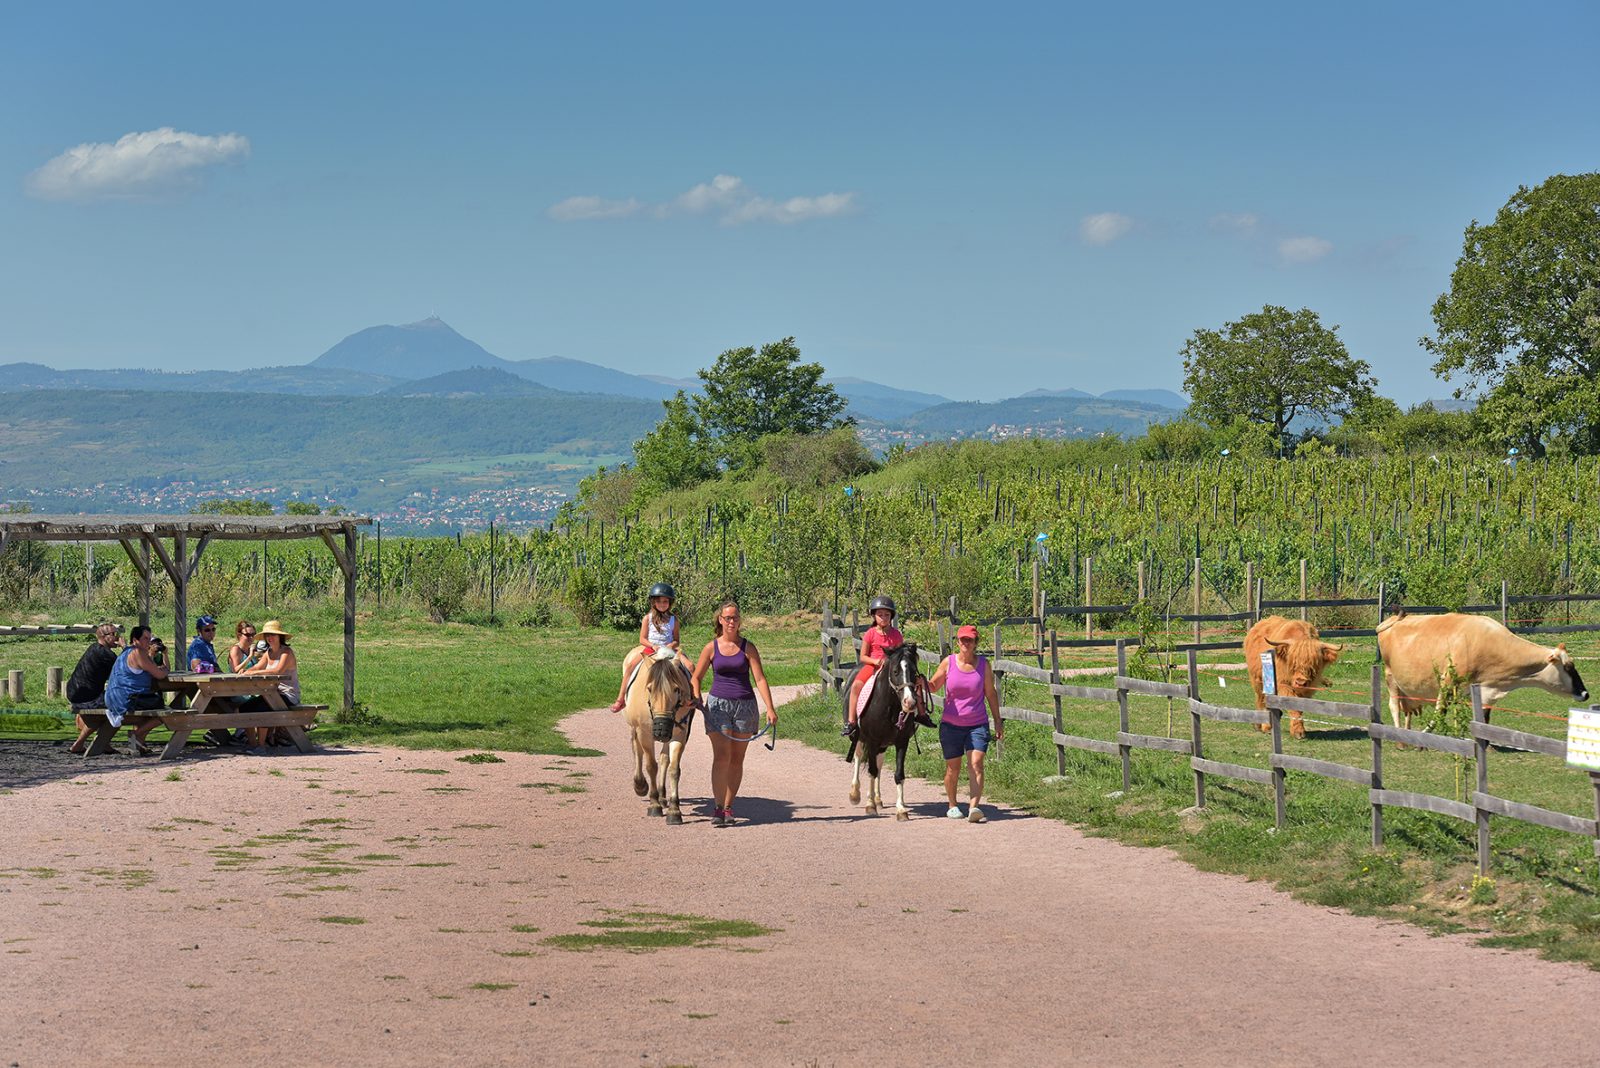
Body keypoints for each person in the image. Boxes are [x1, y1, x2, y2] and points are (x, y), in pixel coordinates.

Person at [691, 600, 777, 828]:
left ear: (740, 621)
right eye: (727, 617)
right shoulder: (711, 648)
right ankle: (718, 808)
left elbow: (760, 678)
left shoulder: (748, 647)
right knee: (721, 757)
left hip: (745, 706)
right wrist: (697, 695)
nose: (732, 621)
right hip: (718, 706)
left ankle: (729, 807)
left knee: (737, 759)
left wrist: (769, 707)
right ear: (720, 620)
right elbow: (696, 677)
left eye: (735, 617)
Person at [925, 624, 1003, 823]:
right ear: (957, 642)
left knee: (976, 763)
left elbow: (991, 693)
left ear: (976, 643)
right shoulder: (948, 662)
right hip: (951, 725)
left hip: (977, 723)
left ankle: (974, 807)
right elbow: (933, 686)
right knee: (953, 767)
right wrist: (920, 683)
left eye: (970, 640)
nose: (966, 643)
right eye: (963, 639)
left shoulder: (983, 665)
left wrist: (998, 721)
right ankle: (952, 805)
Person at [609, 583, 690, 712]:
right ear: (653, 602)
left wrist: (671, 645)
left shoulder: (674, 619)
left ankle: (689, 697)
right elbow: (642, 639)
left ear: (670, 602)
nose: (662, 604)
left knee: (690, 666)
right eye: (659, 601)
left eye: (665, 601)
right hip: (651, 648)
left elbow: (676, 640)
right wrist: (654, 646)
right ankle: (620, 699)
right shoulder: (648, 618)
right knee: (630, 667)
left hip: (669, 649)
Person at [103, 625, 170, 757]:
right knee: (168, 711)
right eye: (145, 638)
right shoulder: (138, 653)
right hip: (125, 700)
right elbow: (160, 675)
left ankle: (137, 744)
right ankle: (136, 735)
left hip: (113, 697)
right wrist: (166, 661)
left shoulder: (127, 651)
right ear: (135, 640)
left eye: (150, 639)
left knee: (151, 705)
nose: (149, 642)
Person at [843, 595, 903, 738]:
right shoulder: (870, 634)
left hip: (891, 668)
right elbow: (863, 656)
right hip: (873, 666)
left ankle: (919, 715)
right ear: (874, 616)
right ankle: (850, 721)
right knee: (856, 685)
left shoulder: (896, 635)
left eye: (887, 615)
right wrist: (875, 662)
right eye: (880, 615)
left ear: (891, 616)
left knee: (910, 686)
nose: (883, 618)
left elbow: (901, 654)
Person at [240, 620, 300, 752]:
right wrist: (247, 670)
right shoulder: (268, 652)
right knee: (245, 707)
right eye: (267, 635)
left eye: (273, 635)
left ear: (280, 636)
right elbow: (258, 666)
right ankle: (252, 744)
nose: (270, 638)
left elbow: (277, 671)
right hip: (271, 693)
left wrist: (254, 672)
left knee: (264, 709)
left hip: (287, 695)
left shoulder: (287, 652)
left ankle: (262, 746)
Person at [65, 622, 122, 754]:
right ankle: (100, 742)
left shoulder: (93, 648)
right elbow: (126, 669)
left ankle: (98, 743)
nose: (117, 638)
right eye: (114, 634)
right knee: (121, 707)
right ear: (104, 636)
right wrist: (125, 648)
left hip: (75, 693)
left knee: (108, 709)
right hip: (87, 697)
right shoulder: (106, 654)